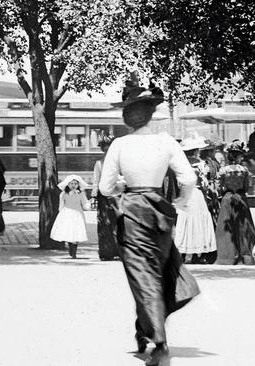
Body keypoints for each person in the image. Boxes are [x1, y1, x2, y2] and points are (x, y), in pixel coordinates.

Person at [99, 80, 200, 366]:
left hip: (132, 213)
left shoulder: (119, 145)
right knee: (157, 273)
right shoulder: (166, 142)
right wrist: (181, 201)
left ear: (127, 116)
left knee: (142, 277)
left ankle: (160, 343)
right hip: (161, 212)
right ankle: (144, 330)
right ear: (150, 114)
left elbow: (106, 188)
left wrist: (122, 187)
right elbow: (189, 179)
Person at [173, 137, 217, 264]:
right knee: (198, 221)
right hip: (196, 193)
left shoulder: (181, 165)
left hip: (185, 194)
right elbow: (204, 184)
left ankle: (182, 252)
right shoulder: (201, 165)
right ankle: (198, 253)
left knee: (184, 222)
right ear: (195, 151)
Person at [214, 140, 255, 265]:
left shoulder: (223, 170)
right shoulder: (243, 170)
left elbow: (219, 187)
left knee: (226, 228)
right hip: (240, 197)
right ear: (238, 156)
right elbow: (247, 186)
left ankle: (227, 257)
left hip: (227, 198)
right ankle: (246, 256)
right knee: (243, 227)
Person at [92, 134, 121, 261]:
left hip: (118, 197)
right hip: (104, 198)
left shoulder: (120, 163)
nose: (107, 151)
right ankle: (106, 251)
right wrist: (93, 196)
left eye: (109, 148)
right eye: (105, 148)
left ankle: (119, 251)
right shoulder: (99, 164)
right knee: (105, 224)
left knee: (119, 225)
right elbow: (96, 181)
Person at [51, 175, 90, 259]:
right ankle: (70, 248)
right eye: (71, 183)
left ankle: (74, 251)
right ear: (68, 184)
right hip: (67, 213)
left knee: (77, 231)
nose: (73, 185)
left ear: (78, 185)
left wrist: (88, 205)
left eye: (75, 183)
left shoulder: (81, 193)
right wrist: (61, 215)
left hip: (78, 214)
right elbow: (61, 205)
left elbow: (85, 203)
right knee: (69, 231)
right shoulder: (63, 194)